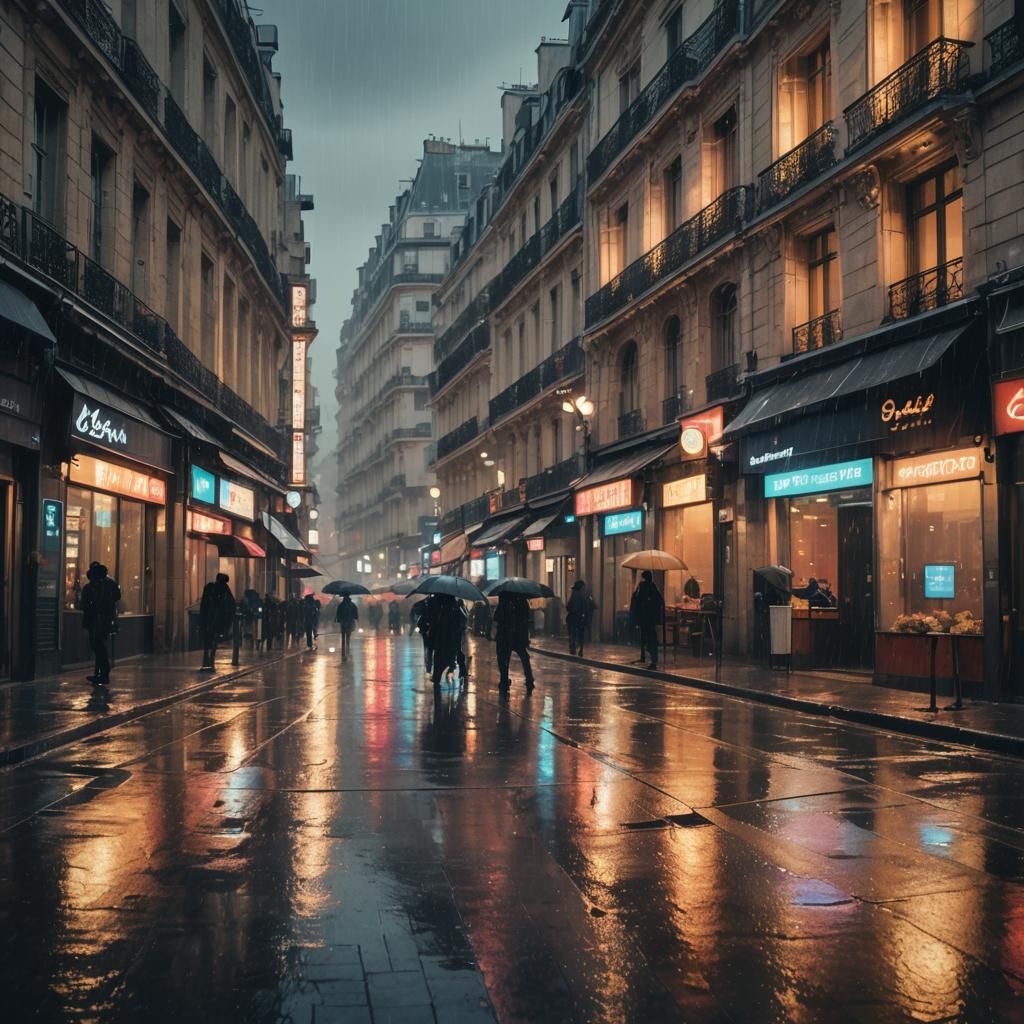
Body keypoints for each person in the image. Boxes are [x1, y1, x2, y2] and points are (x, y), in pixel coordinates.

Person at [79, 561, 121, 686]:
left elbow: (85, 604)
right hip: (101, 620)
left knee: (98, 646)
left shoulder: (99, 586)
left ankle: (103, 674)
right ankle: (100, 673)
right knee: (98, 646)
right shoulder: (107, 584)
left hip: (99, 620)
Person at [493, 592, 534, 694]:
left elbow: (497, 617)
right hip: (518, 635)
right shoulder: (523, 601)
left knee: (503, 658)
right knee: (523, 656)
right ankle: (529, 679)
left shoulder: (504, 601)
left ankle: (504, 681)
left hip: (505, 634)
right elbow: (527, 618)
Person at [199, 572, 236, 670]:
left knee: (208, 640)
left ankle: (206, 660)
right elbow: (231, 604)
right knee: (213, 639)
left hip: (208, 618)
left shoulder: (209, 587)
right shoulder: (223, 589)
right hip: (217, 619)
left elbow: (203, 604)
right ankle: (210, 661)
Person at [630, 570, 665, 670]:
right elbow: (660, 601)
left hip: (645, 617)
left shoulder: (643, 586)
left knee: (646, 637)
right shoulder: (653, 587)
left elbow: (636, 600)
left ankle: (650, 659)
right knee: (651, 637)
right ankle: (652, 659)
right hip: (650, 618)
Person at [429, 594, 465, 689]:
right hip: (451, 639)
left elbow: (437, 625)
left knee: (440, 658)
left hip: (444, 639)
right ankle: (448, 668)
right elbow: (463, 620)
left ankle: (437, 676)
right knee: (446, 657)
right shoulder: (455, 608)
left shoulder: (444, 610)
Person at [566, 580, 596, 658]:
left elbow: (568, 606)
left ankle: (574, 647)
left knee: (574, 633)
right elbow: (589, 606)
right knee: (580, 634)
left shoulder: (575, 595)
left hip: (575, 617)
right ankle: (580, 649)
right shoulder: (585, 595)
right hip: (580, 618)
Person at [411, 596, 434, 674]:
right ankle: (430, 666)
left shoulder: (421, 605)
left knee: (428, 649)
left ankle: (428, 667)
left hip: (426, 631)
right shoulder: (437, 604)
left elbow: (416, 617)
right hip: (432, 630)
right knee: (431, 649)